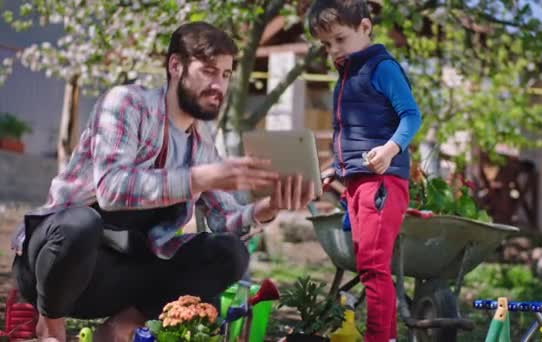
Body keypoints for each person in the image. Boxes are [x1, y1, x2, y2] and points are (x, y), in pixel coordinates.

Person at [10, 21, 315, 342]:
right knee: (79, 224)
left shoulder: (202, 143)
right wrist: (198, 178)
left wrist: (270, 206)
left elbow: (225, 221)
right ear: (175, 66)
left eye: (226, 75)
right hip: (55, 267)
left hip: (121, 276)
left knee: (230, 252)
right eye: (209, 71)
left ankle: (120, 327)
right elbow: (112, 189)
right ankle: (51, 327)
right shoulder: (126, 104)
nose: (219, 86)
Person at [307, 1, 422, 341]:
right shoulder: (347, 77)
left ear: (366, 28)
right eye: (327, 45)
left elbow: (411, 116)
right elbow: (356, 139)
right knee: (371, 267)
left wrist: (389, 150)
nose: (334, 50)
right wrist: (334, 170)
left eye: (340, 39)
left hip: (382, 182)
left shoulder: (381, 68)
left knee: (373, 267)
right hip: (358, 182)